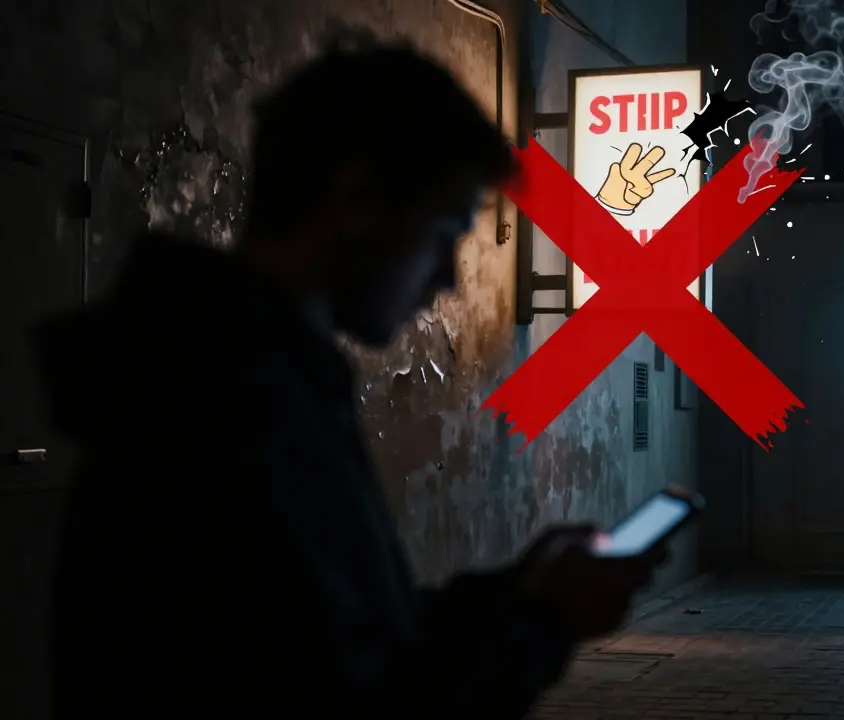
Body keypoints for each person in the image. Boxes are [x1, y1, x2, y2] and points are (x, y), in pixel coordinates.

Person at [33, 33, 666, 718]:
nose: (449, 278)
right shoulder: (230, 408)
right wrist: (543, 623)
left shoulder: (226, 372)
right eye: (445, 230)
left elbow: (342, 638)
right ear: (358, 200)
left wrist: (521, 593)